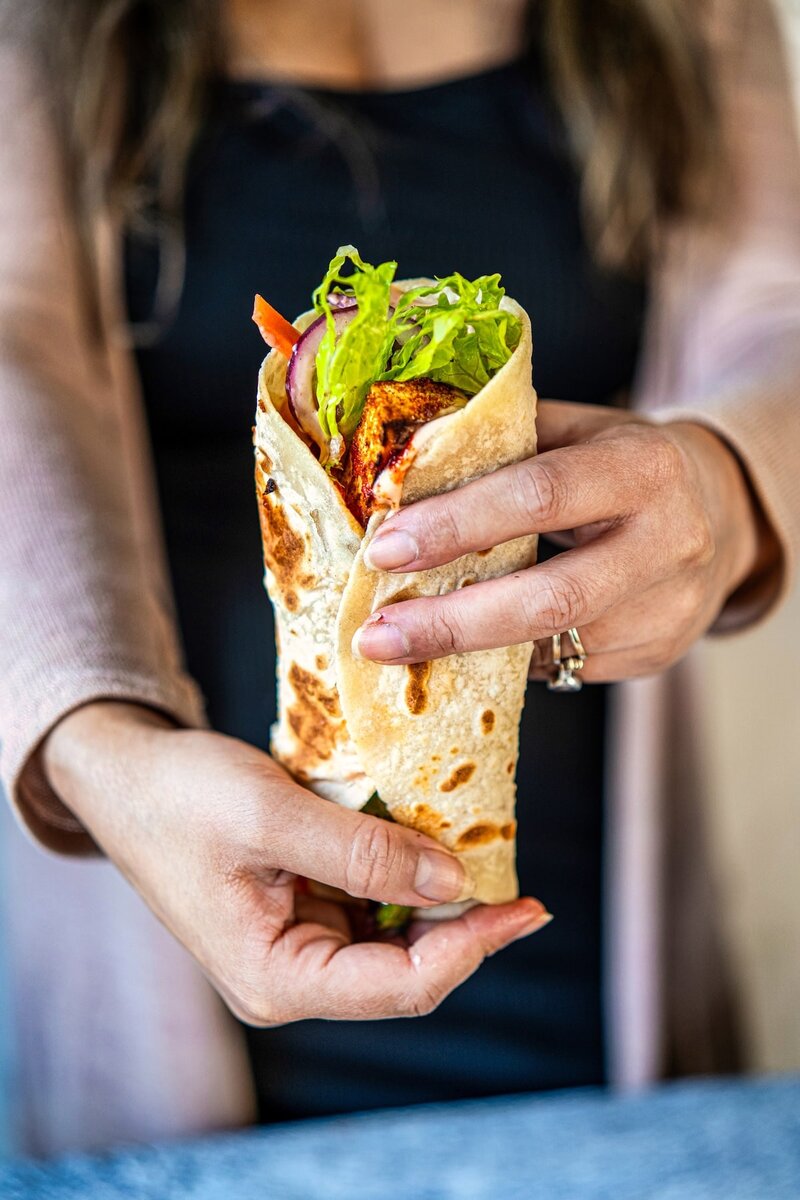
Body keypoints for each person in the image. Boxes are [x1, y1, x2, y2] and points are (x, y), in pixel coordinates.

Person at [1, 0, 798, 1146]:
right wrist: (95, 746)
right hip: (167, 891)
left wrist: (721, 486)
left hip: (587, 943)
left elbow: (775, 315)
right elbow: (8, 335)